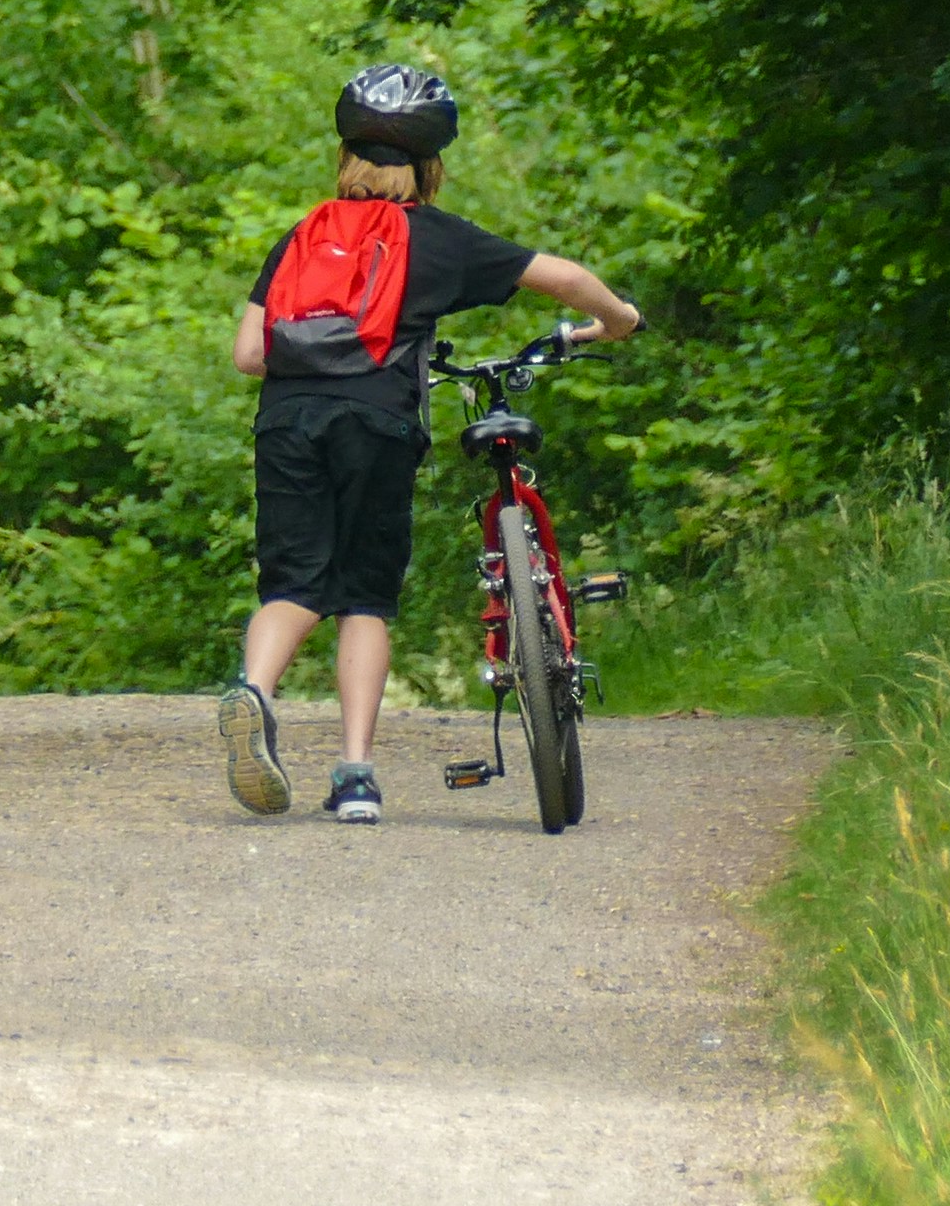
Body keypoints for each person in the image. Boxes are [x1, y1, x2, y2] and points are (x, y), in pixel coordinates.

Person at [219, 65, 641, 824]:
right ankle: (354, 776)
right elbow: (567, 277)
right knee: (364, 598)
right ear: (428, 167)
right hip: (376, 422)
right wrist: (619, 319)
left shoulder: (302, 236)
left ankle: (254, 691)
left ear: (346, 160)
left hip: (286, 420)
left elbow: (249, 352)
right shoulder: (433, 236)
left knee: (291, 583)